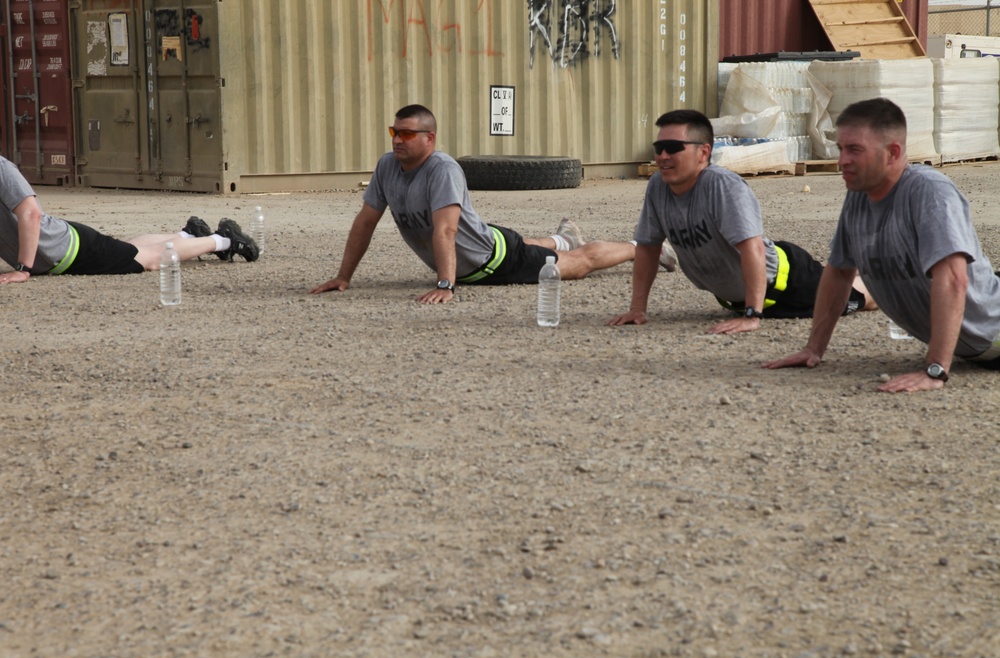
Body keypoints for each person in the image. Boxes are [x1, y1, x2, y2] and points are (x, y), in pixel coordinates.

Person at [765, 97, 1000, 392]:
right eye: (840, 149)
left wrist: (936, 369)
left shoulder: (929, 192)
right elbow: (838, 273)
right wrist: (813, 349)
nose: (842, 160)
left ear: (893, 152)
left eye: (855, 150)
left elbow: (953, 278)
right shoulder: (859, 195)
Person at [309, 104, 638, 304]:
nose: (397, 139)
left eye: (408, 134)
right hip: (484, 238)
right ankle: (564, 237)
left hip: (494, 263)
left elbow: (447, 230)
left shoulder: (443, 169)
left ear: (430, 139)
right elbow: (365, 221)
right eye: (395, 131)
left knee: (579, 264)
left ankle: (642, 247)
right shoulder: (386, 166)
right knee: (515, 240)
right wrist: (343, 276)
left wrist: (445, 284)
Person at [608, 109, 875, 333]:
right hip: (744, 295)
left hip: (788, 284)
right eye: (659, 148)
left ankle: (884, 275)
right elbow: (647, 247)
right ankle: (852, 266)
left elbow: (752, 248)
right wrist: (637, 309)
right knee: (839, 276)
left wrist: (751, 315)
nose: (663, 156)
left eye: (674, 148)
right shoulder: (658, 185)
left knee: (862, 297)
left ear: (703, 153)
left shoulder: (721, 185)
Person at [0, 155, 258, 284]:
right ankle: (188, 235)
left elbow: (30, 214)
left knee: (150, 259)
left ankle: (224, 239)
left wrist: (23, 269)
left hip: (68, 249)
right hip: (61, 251)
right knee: (133, 248)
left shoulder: (2, 168)